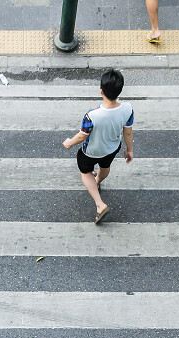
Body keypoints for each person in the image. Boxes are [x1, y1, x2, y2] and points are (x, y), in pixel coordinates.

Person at [62, 69, 134, 224]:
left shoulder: (92, 115)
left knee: (85, 171)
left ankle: (100, 204)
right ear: (120, 90)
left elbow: (83, 135)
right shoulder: (128, 109)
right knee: (105, 166)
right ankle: (98, 182)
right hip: (112, 148)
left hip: (91, 151)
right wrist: (129, 150)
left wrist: (69, 142)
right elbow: (128, 133)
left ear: (101, 91)